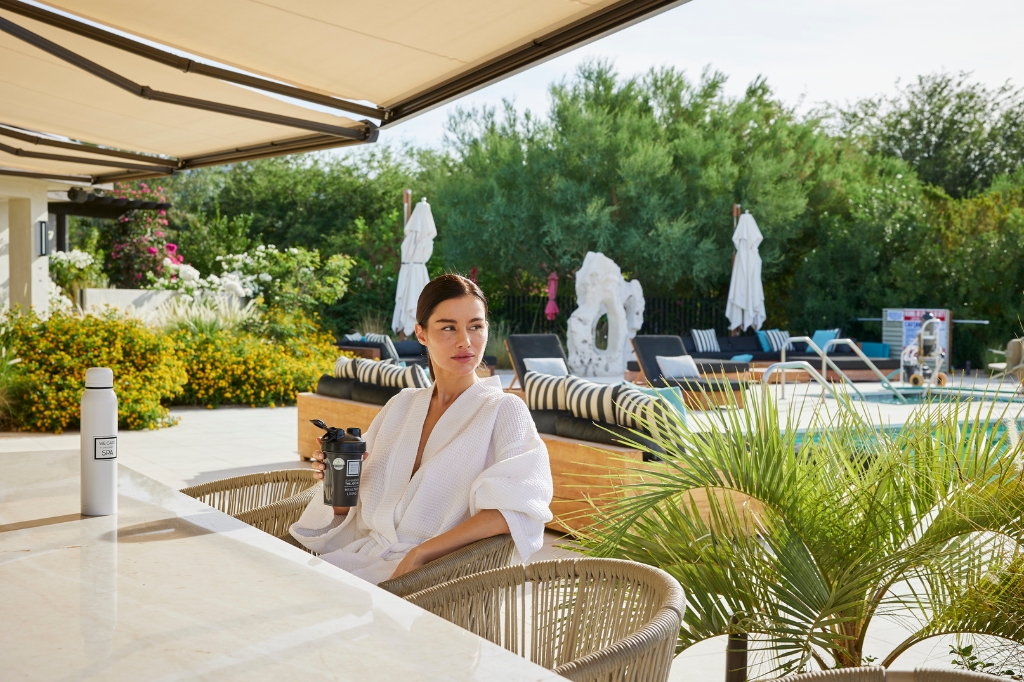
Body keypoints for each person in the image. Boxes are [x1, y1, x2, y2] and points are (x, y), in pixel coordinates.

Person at [290, 274, 553, 584]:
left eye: (475, 326)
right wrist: (340, 479)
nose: (465, 341)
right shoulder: (402, 405)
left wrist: (422, 553)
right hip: (364, 559)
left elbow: (515, 509)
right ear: (422, 333)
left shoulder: (503, 410)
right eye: (448, 327)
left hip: (434, 578)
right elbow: (351, 510)